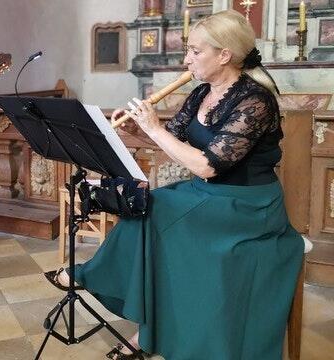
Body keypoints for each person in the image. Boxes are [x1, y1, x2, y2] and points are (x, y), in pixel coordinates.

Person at [44, 10, 303, 360]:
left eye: (195, 51)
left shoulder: (254, 101)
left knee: (150, 210)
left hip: (247, 206)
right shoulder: (201, 94)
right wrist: (142, 132)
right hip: (207, 198)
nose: (187, 59)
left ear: (224, 54)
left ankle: (92, 279)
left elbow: (209, 165)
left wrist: (155, 129)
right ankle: (145, 332)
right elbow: (176, 142)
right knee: (142, 208)